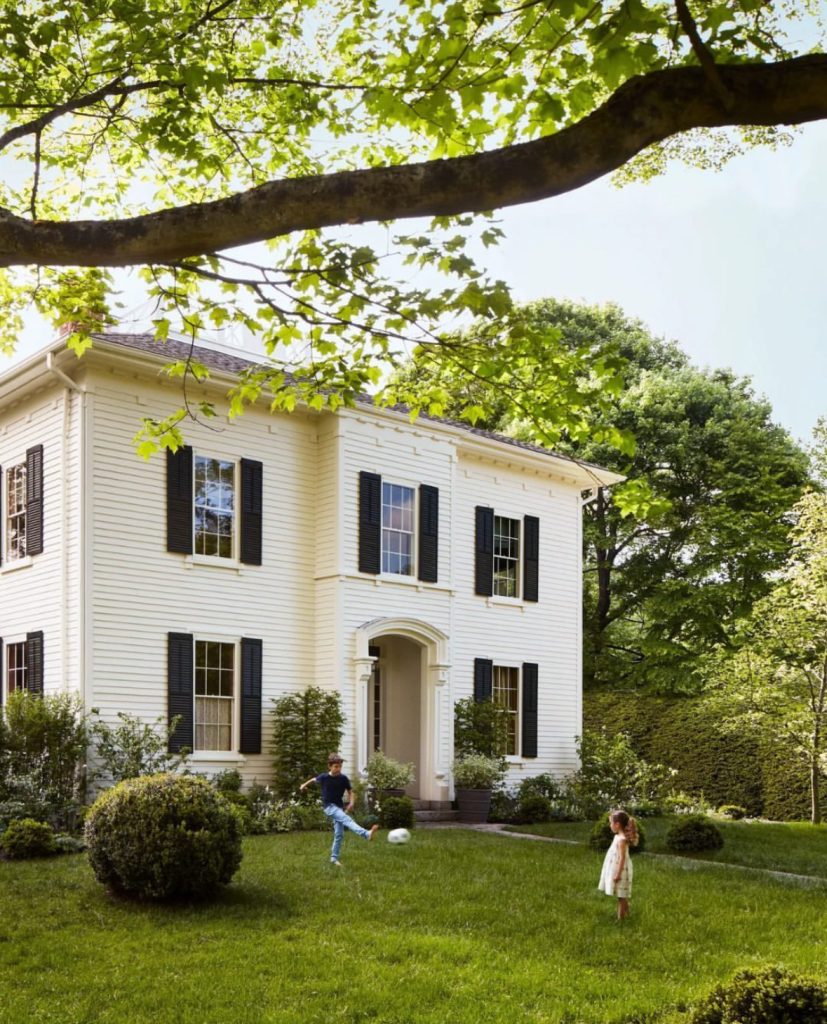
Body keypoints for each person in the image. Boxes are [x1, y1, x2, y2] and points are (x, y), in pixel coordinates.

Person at [299, 753, 378, 866]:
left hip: (339, 807)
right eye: (336, 766)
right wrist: (303, 785)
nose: (338, 768)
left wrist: (351, 803)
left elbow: (351, 792)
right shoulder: (324, 777)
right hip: (329, 807)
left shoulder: (343, 779)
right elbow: (313, 779)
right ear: (330, 766)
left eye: (340, 766)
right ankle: (366, 834)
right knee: (347, 820)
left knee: (339, 834)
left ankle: (334, 858)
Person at [598, 808, 639, 920]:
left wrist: (617, 874)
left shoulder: (622, 840)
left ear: (617, 824)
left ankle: (620, 919)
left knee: (621, 896)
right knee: (621, 895)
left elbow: (622, 859)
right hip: (617, 868)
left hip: (621, 870)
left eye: (611, 823)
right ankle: (627, 913)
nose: (610, 825)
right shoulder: (618, 837)